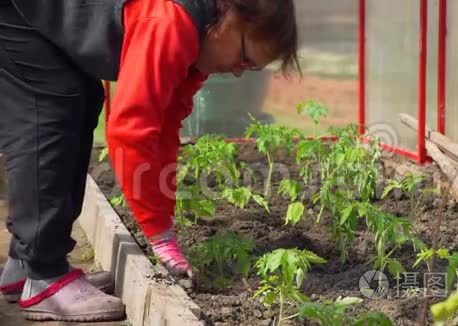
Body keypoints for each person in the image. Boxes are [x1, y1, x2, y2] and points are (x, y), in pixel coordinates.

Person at [0, 0, 299, 322]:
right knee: (51, 111)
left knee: (81, 100)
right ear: (229, 16)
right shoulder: (169, 20)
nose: (240, 72)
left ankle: (26, 263)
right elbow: (131, 130)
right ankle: (45, 275)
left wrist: (163, 222)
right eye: (244, 58)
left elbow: (164, 129)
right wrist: (158, 233)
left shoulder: (198, 42)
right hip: (17, 13)